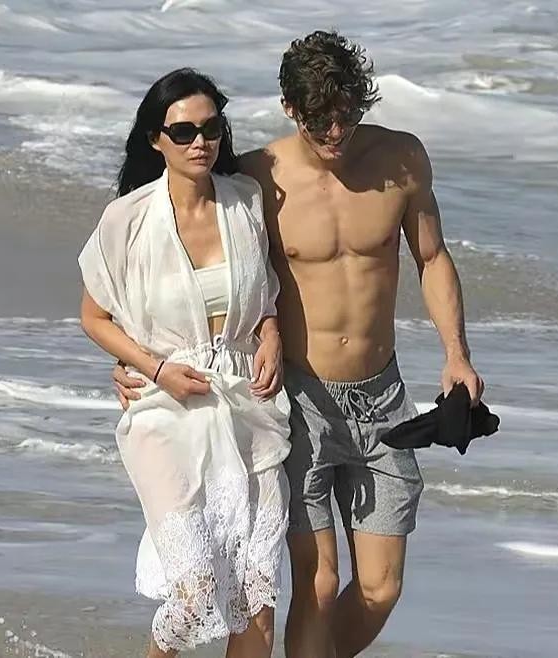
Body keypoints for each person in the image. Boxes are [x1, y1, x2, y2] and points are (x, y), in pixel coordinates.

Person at [116, 30, 485, 658]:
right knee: (319, 582)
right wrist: (135, 361)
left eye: (346, 115)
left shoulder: (402, 160)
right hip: (297, 400)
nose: (335, 132)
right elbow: (185, 272)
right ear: (290, 108)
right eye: (319, 121)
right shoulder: (257, 177)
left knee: (381, 587)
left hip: (383, 397)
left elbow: (432, 257)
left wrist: (457, 354)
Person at [78, 68, 291, 658]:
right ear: (156, 139)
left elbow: (264, 293)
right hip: (166, 410)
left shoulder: (246, 201)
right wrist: (153, 369)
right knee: (195, 595)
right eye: (184, 131)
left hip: (250, 403)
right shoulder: (126, 219)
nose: (200, 142)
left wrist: (271, 333)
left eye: (211, 128)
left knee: (256, 595)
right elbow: (94, 317)